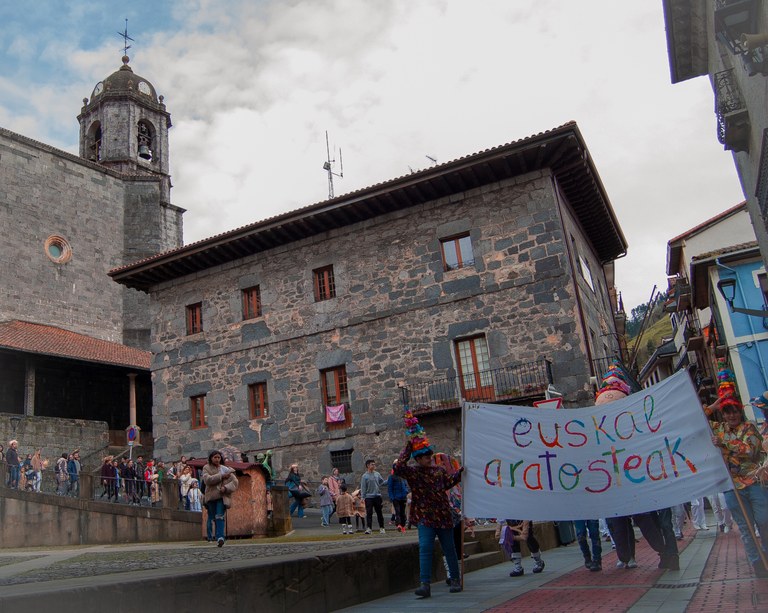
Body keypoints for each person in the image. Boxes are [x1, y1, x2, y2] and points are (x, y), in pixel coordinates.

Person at [704, 363, 768, 578]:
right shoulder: (718, 429)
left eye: (734, 411)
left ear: (739, 412)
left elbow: (750, 451)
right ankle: (757, 562)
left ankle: (766, 554)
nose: (731, 416)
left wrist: (724, 445)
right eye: (727, 411)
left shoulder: (749, 427)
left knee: (764, 521)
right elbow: (697, 418)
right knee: (746, 528)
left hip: (754, 483)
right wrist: (713, 406)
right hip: (733, 486)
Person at [394, 436, 463, 598]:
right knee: (425, 548)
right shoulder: (413, 472)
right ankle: (425, 584)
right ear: (418, 459)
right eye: (425, 457)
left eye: (429, 456)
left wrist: (460, 473)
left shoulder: (439, 471)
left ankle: (455, 579)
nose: (429, 458)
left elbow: (448, 483)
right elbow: (398, 467)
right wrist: (409, 447)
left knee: (450, 549)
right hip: (425, 517)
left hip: (443, 515)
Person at [203, 449, 239, 547]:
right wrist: (221, 476)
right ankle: (211, 536)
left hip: (221, 497)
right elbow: (207, 480)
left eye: (219, 457)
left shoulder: (226, 469)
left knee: (219, 516)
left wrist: (226, 488)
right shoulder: (206, 468)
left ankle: (220, 537)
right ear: (211, 458)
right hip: (211, 497)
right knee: (212, 517)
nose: (217, 459)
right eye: (215, 457)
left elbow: (235, 482)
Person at [360, 459, 386, 535]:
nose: (374, 466)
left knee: (379, 513)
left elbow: (382, 482)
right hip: (369, 497)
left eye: (374, 464)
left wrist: (389, 481)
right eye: (372, 464)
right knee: (369, 513)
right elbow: (363, 487)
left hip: (377, 496)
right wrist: (362, 497)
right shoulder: (364, 476)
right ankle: (369, 528)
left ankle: (382, 528)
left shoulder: (377, 474)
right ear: (368, 466)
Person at [387, 461, 409, 533]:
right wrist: (392, 497)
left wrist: (406, 492)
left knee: (402, 512)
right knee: (397, 511)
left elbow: (405, 485)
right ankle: (398, 524)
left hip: (403, 497)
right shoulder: (392, 477)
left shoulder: (403, 477)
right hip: (396, 497)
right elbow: (390, 488)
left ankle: (402, 525)